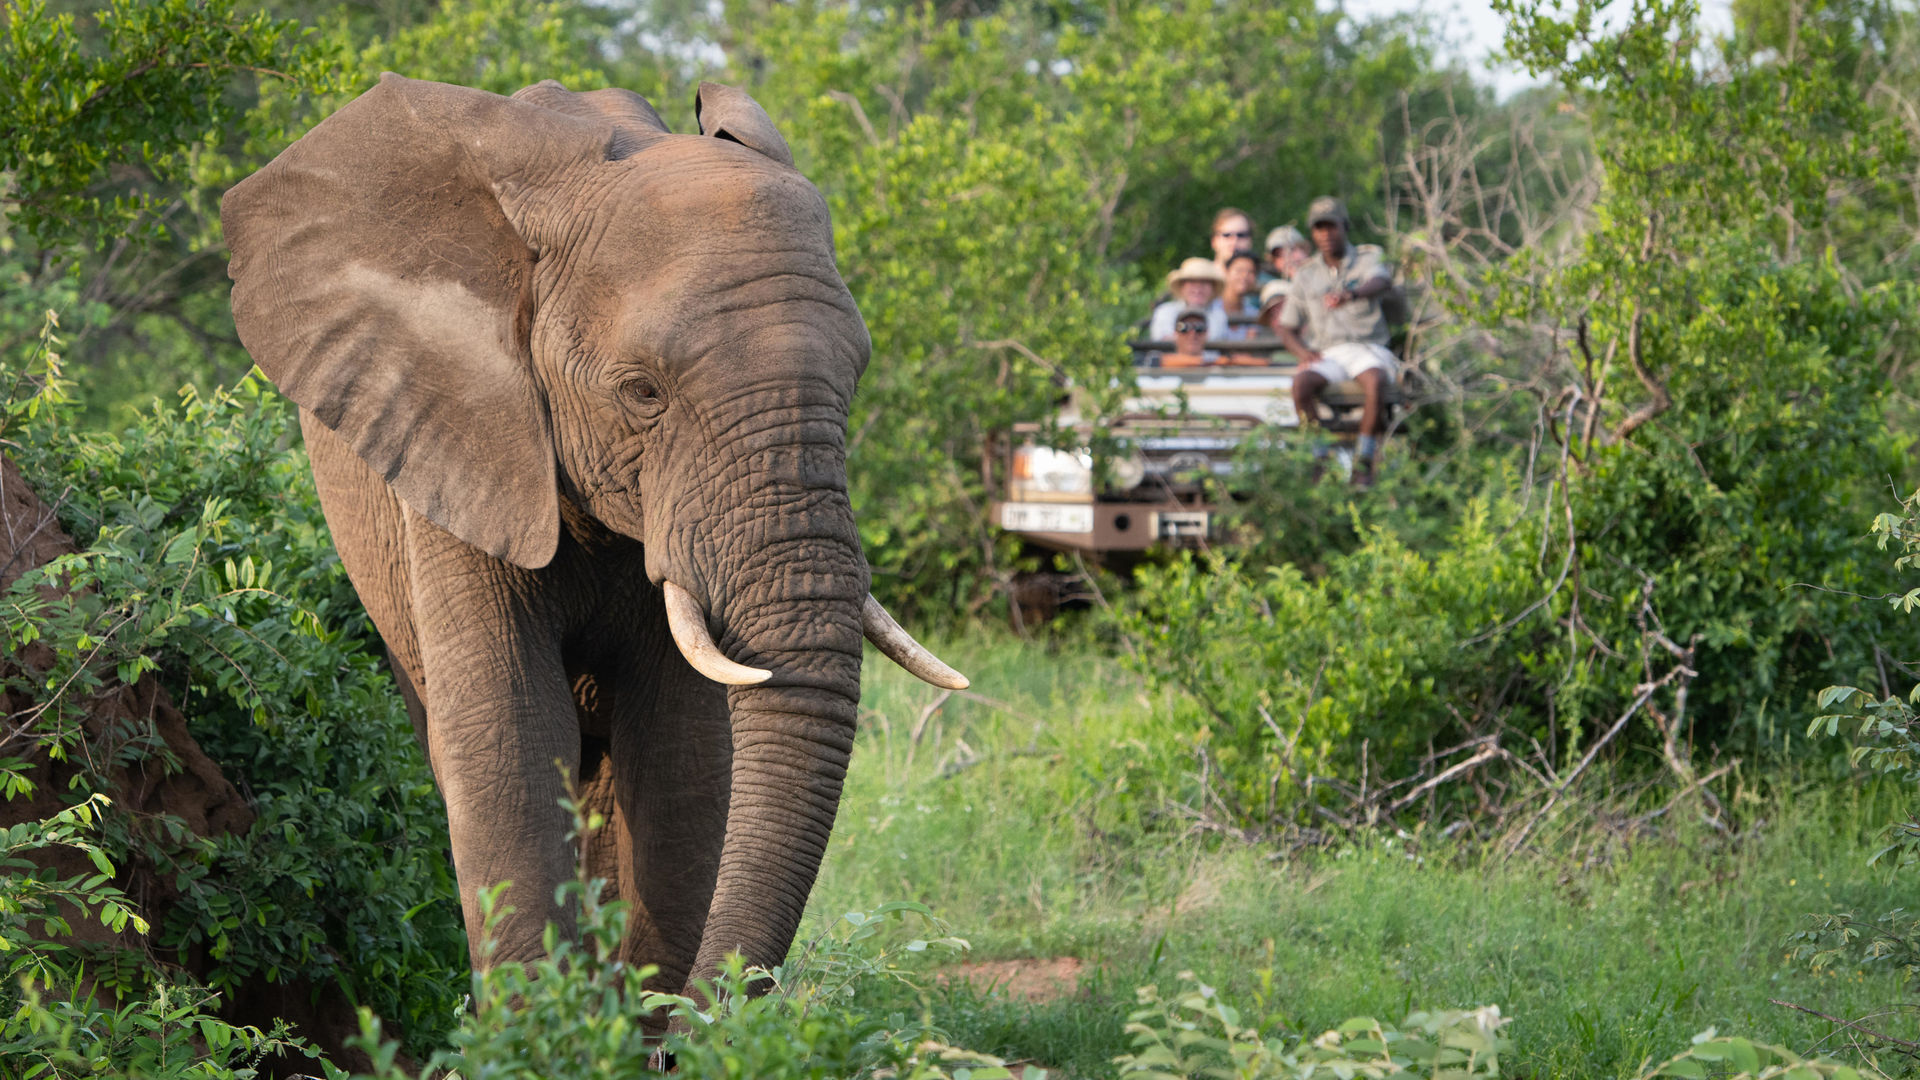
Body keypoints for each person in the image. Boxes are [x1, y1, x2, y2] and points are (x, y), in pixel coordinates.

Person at [1274, 196, 1397, 487]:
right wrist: (1303, 353)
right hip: (1329, 351)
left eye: (1332, 227)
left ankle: (1363, 462)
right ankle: (1322, 459)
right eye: (1319, 228)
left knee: (1375, 380)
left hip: (1369, 346)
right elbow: (1286, 326)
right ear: (1313, 234)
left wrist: (1352, 295)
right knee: (1301, 384)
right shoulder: (1306, 274)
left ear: (1345, 227)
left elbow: (1381, 281)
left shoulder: (1367, 258)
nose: (1326, 234)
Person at [1148, 257, 1229, 341]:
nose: (1198, 289)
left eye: (1204, 282)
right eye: (1192, 282)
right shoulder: (1165, 312)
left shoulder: (1219, 316)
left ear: (1213, 288)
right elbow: (1163, 341)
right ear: (1182, 286)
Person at [1209, 207, 1256, 273]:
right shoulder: (1197, 278)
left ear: (1250, 241)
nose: (1234, 241)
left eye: (1241, 235)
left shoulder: (1266, 282)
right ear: (1213, 240)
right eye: (1227, 235)